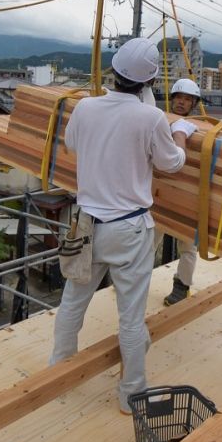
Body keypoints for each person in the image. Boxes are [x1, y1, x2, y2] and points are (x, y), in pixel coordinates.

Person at [49, 37, 194, 414]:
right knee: (130, 317)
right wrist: (182, 132)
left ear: (113, 72)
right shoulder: (151, 118)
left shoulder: (85, 108)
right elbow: (172, 163)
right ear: (149, 83)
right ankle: (131, 396)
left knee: (72, 304)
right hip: (128, 229)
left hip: (85, 224)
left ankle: (56, 374)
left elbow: (73, 145)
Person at [158, 78, 201, 306]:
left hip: (187, 197)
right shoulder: (160, 122)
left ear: (193, 104)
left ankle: (182, 287)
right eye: (179, 98)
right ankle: (134, 283)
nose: (182, 103)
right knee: (147, 244)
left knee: (187, 246)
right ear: (172, 99)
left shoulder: (199, 129)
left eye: (187, 99)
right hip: (160, 193)